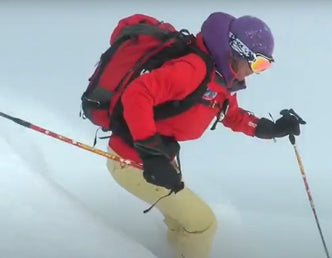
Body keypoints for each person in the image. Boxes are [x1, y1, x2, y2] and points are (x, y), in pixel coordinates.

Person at [106, 12, 302, 258]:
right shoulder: (194, 70)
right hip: (132, 159)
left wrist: (271, 128)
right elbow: (138, 93)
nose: (256, 72)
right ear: (239, 51)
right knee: (203, 224)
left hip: (159, 158)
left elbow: (233, 116)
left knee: (183, 224)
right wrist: (150, 153)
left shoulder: (220, 79)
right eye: (257, 63)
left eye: (264, 66)